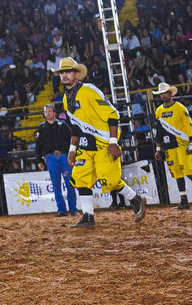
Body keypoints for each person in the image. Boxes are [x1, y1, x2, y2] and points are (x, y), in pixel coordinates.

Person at [53, 57, 146, 227]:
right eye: (61, 72)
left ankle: (135, 199)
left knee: (111, 181)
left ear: (77, 74)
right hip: (85, 145)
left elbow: (112, 114)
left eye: (68, 72)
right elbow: (74, 127)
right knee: (80, 178)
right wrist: (72, 149)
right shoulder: (66, 98)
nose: (64, 75)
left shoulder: (89, 91)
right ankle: (88, 216)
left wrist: (113, 142)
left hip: (103, 142)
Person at [152, 82, 192, 209]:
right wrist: (158, 149)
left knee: (187, 170)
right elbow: (158, 132)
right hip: (169, 146)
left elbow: (189, 126)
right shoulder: (159, 111)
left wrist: (191, 144)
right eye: (161, 94)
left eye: (165, 93)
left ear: (170, 94)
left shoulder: (180, 108)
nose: (163, 96)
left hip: (182, 143)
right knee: (177, 172)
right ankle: (184, 200)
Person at [34, 103, 76, 217]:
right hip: (51, 157)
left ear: (54, 113)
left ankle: (73, 208)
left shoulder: (63, 125)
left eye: (49, 111)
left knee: (69, 183)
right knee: (56, 184)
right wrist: (39, 161)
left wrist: (72, 154)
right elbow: (38, 145)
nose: (47, 113)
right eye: (46, 111)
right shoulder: (41, 128)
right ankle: (61, 209)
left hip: (64, 156)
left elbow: (72, 139)